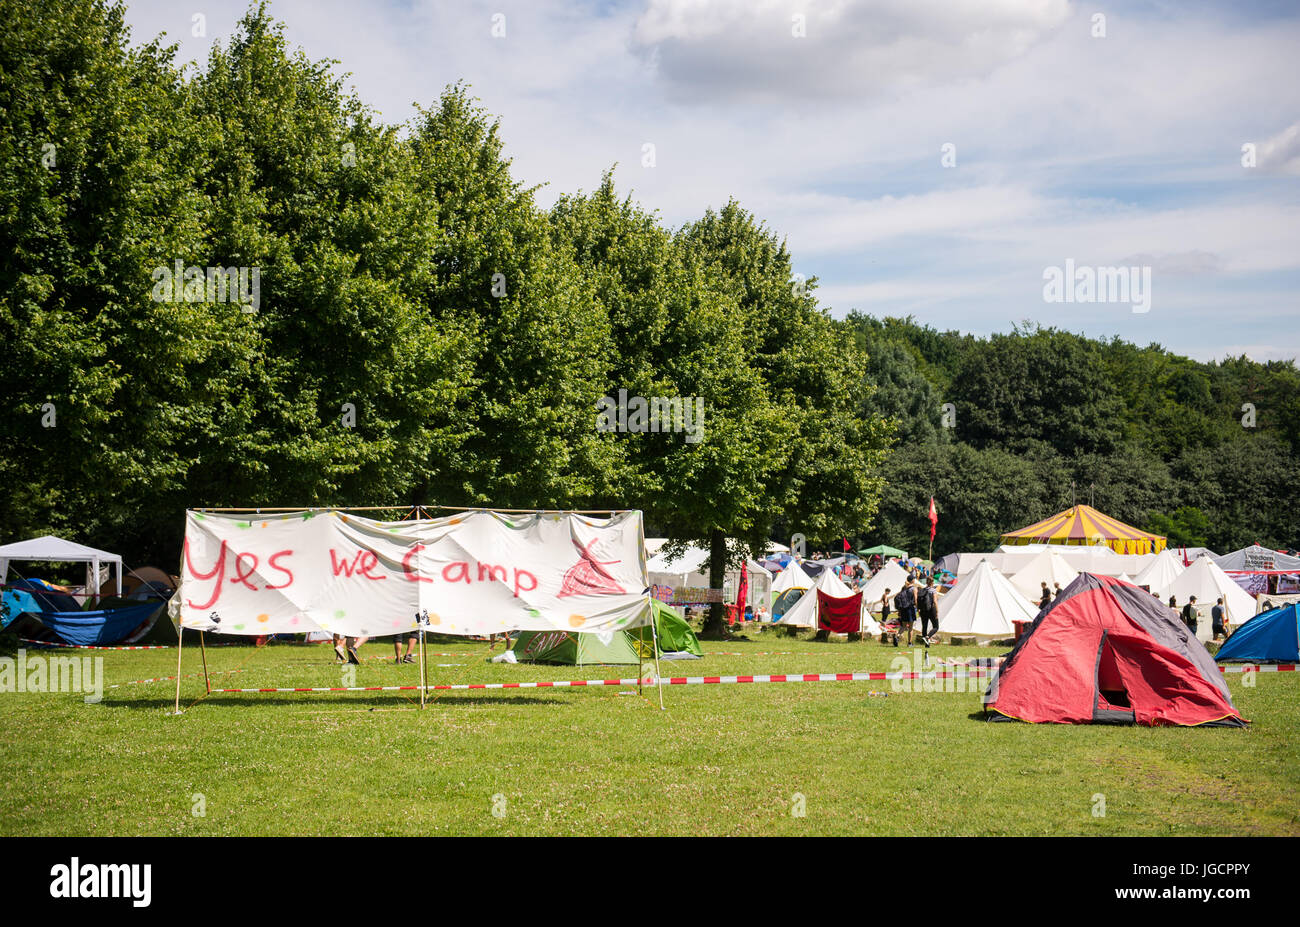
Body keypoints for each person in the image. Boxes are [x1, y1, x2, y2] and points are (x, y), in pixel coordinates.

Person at [895, 579, 918, 646]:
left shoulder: (903, 590)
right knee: (910, 627)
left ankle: (897, 636)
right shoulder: (913, 589)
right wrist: (918, 608)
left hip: (903, 609)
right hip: (910, 609)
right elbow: (916, 600)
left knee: (903, 626)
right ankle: (909, 643)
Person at [917, 577, 939, 643]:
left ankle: (926, 642)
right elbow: (935, 601)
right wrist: (937, 611)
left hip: (923, 610)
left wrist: (918, 609)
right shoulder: (933, 590)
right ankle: (928, 637)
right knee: (936, 627)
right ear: (932, 582)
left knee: (924, 626)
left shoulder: (922, 590)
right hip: (931, 610)